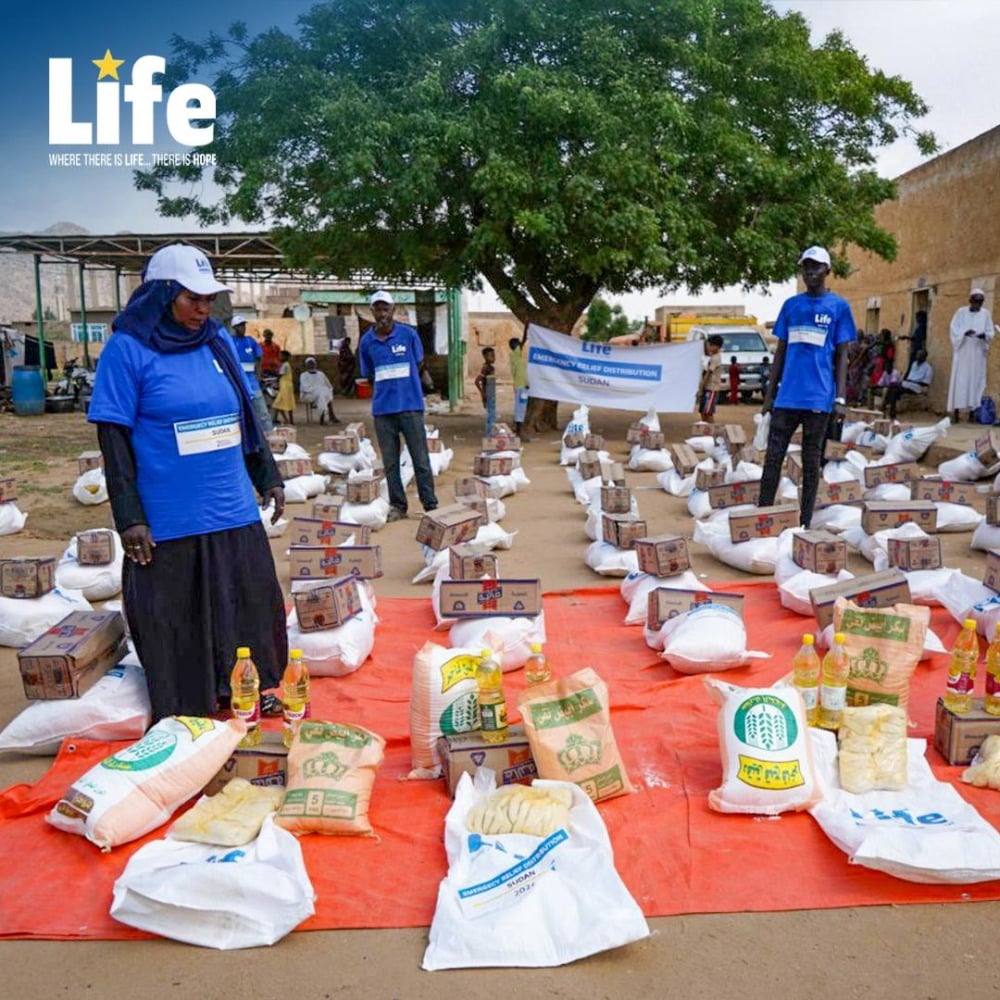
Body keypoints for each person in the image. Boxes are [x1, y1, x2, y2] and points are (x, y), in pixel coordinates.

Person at [85, 243, 287, 722]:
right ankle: (188, 705)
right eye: (191, 298)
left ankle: (252, 689)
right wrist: (129, 516)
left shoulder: (214, 339)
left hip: (231, 506)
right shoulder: (127, 350)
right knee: (177, 617)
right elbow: (113, 438)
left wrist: (268, 475)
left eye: (208, 298)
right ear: (161, 295)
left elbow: (244, 413)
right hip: (170, 516)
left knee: (251, 603)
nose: (203, 307)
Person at [758, 246, 856, 529]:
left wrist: (839, 397)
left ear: (827, 271)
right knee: (773, 459)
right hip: (787, 398)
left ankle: (804, 522)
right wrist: (769, 397)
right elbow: (781, 353)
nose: (810, 273)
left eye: (816, 267)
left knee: (811, 463)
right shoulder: (791, 306)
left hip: (819, 399)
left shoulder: (838, 307)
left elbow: (842, 356)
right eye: (806, 268)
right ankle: (763, 515)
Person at [358, 290, 438, 522]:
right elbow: (369, 374)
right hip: (383, 412)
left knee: (420, 459)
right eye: (378, 309)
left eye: (386, 308)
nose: (382, 313)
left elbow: (419, 361)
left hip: (411, 407)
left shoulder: (408, 335)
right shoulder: (367, 342)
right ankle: (398, 505)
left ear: (393, 310)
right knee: (390, 462)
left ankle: (430, 504)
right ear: (372, 312)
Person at [947, 288, 995, 423]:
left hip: (977, 353)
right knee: (959, 381)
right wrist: (964, 332)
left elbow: (990, 332)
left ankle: (973, 413)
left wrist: (983, 335)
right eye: (975, 301)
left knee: (976, 382)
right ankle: (956, 412)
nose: (977, 305)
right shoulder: (960, 312)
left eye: (980, 302)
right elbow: (953, 328)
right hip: (963, 352)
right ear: (970, 301)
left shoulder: (986, 314)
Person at [230, 315, 273, 432]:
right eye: (239, 326)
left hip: (252, 382)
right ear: (234, 327)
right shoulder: (231, 341)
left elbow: (259, 359)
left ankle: (270, 435)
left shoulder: (250, 341)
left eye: (243, 325)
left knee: (262, 412)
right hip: (238, 382)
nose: (242, 328)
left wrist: (258, 376)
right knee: (240, 412)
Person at [882, 348, 933, 419]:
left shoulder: (928, 368)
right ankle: (890, 412)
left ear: (924, 357)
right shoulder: (914, 364)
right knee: (893, 389)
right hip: (906, 384)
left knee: (894, 388)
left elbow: (926, 383)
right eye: (917, 355)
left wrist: (913, 382)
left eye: (920, 355)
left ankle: (884, 408)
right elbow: (909, 376)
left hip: (916, 387)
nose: (917, 356)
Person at [299, 356, 340, 424]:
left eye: (312, 363)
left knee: (323, 394)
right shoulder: (303, 375)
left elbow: (328, 385)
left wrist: (324, 391)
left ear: (315, 364)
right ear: (306, 365)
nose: (311, 365)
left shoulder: (321, 374)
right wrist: (318, 390)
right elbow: (305, 388)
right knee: (322, 393)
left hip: (321, 394)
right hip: (308, 395)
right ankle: (327, 416)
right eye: (309, 363)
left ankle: (323, 414)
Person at [697, 334, 725, 422]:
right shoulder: (713, 356)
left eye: (711, 345)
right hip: (707, 388)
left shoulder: (716, 358)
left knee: (708, 412)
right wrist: (704, 342)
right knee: (703, 410)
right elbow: (706, 352)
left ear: (717, 346)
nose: (710, 347)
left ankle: (710, 430)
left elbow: (708, 374)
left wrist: (701, 387)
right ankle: (705, 428)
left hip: (711, 388)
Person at [508, 334, 530, 439]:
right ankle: (519, 430)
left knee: (521, 407)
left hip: (521, 386)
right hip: (520, 386)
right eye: (518, 344)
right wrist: (526, 327)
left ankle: (519, 428)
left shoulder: (516, 356)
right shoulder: (515, 355)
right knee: (520, 408)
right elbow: (523, 341)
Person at [475, 346, 497, 433]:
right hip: (488, 393)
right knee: (490, 414)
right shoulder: (486, 368)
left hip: (491, 393)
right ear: (485, 357)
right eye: (490, 356)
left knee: (492, 413)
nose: (493, 357)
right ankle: (489, 433)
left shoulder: (491, 367)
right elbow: (477, 381)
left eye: (494, 355)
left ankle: (490, 432)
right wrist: (482, 393)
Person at [273, 349, 296, 425]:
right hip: (287, 386)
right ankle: (290, 420)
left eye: (281, 356)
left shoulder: (285, 365)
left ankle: (287, 420)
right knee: (288, 404)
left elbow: (279, 375)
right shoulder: (287, 365)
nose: (279, 357)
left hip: (284, 386)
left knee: (277, 404)